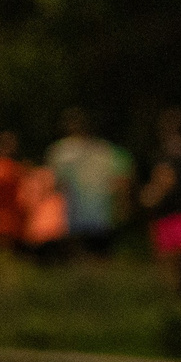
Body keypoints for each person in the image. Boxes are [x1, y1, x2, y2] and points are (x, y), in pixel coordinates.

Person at [47, 109, 132, 255]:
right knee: (102, 260)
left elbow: (55, 185)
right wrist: (123, 208)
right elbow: (123, 182)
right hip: (103, 217)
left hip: (71, 217)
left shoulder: (60, 152)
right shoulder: (109, 151)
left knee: (77, 261)